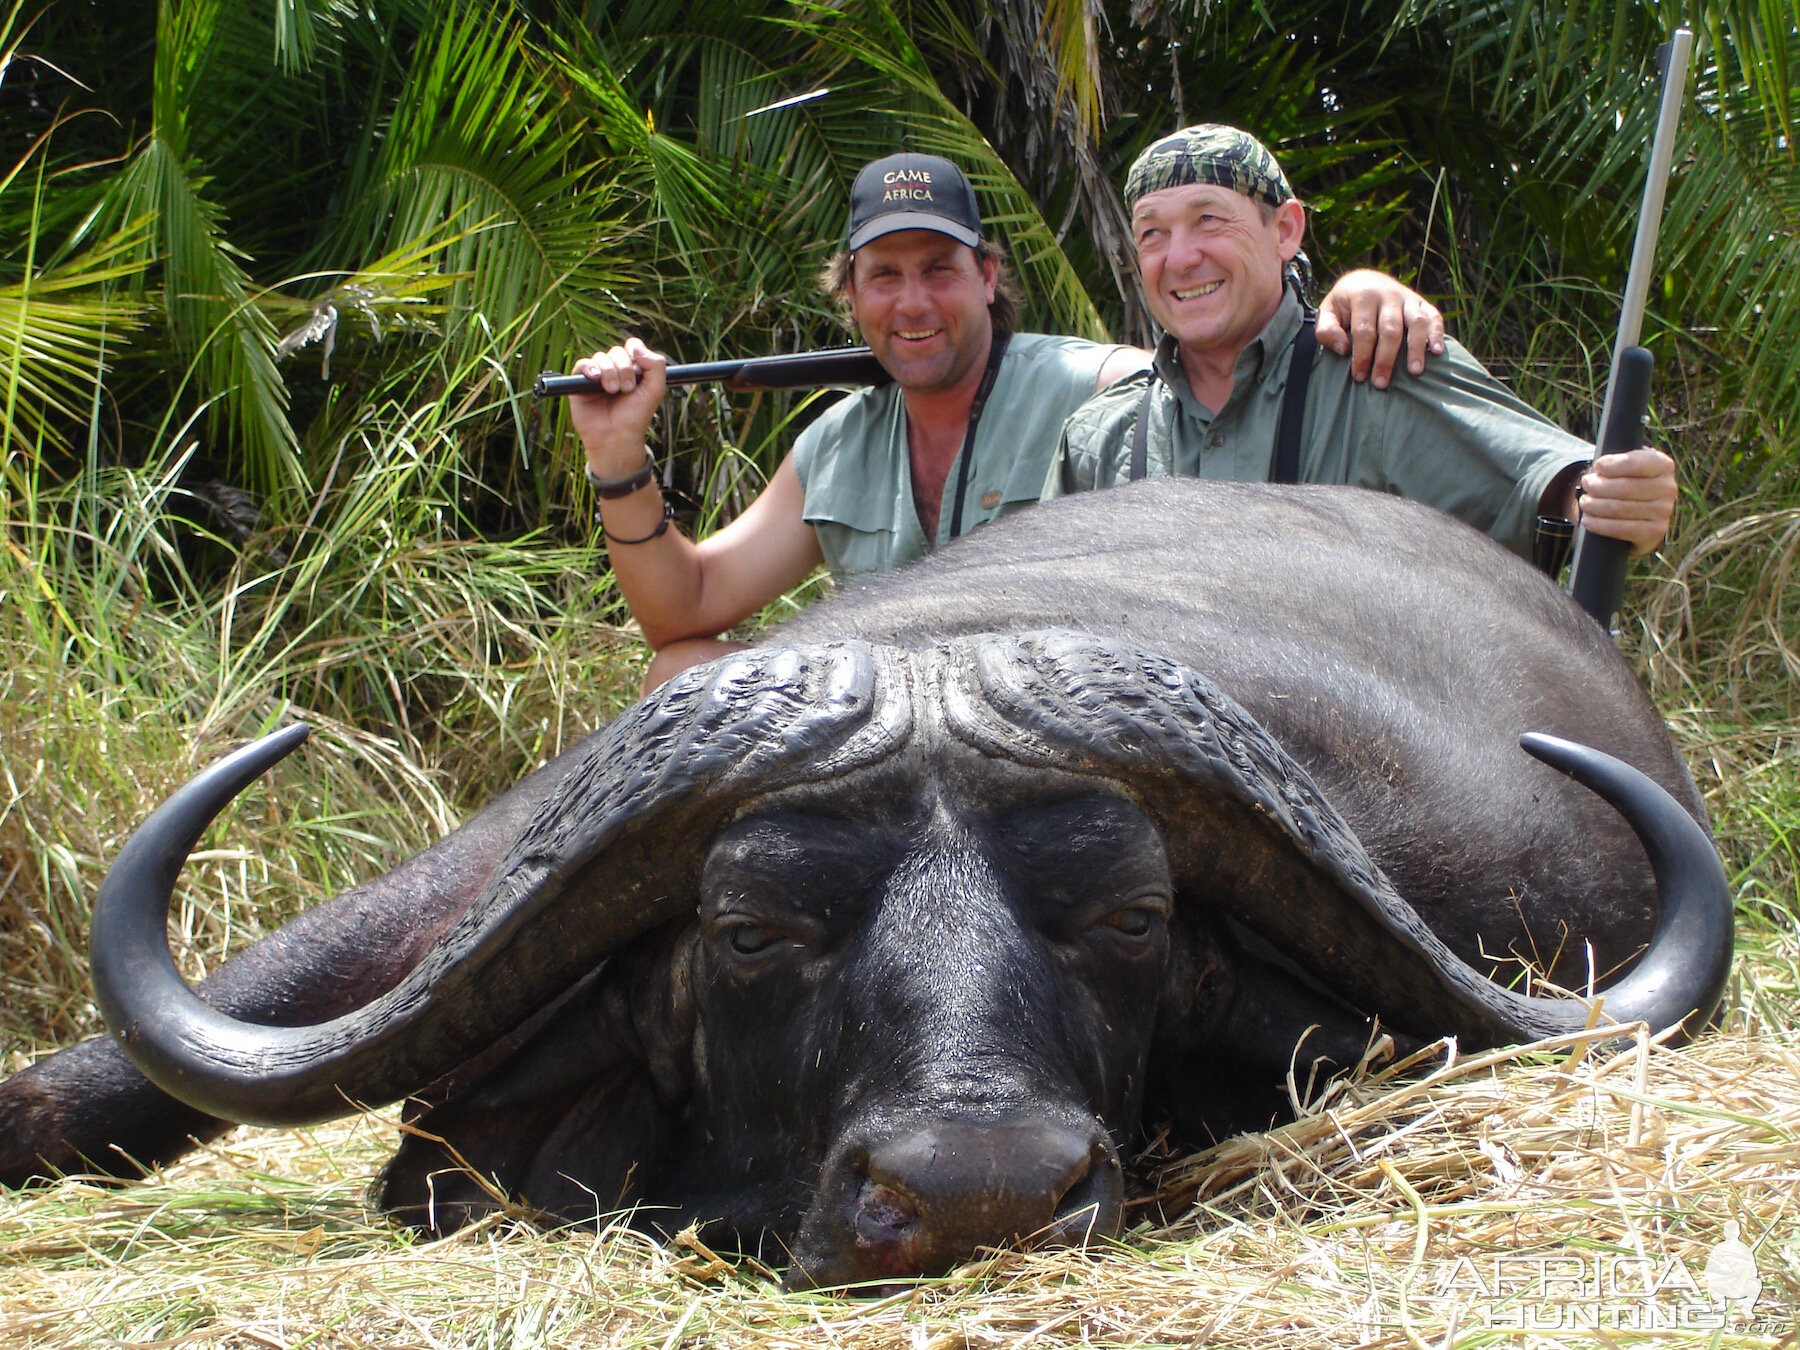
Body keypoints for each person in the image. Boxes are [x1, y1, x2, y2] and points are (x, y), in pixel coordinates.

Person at [570, 152, 1446, 692]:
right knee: (679, 677)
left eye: (939, 269)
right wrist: (617, 455)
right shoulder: (836, 441)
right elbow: (683, 610)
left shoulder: (1096, 384)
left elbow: (1215, 355)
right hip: (881, 719)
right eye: (884, 275)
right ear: (851, 293)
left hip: (1037, 720)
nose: (913, 303)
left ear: (987, 276)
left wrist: (1343, 292)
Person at [1043, 125, 1678, 564]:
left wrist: (1617, 498)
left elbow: (1543, 485)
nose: (1180, 257)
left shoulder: (1377, 370)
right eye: (1153, 233)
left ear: (1285, 230)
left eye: (1210, 219)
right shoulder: (1099, 437)